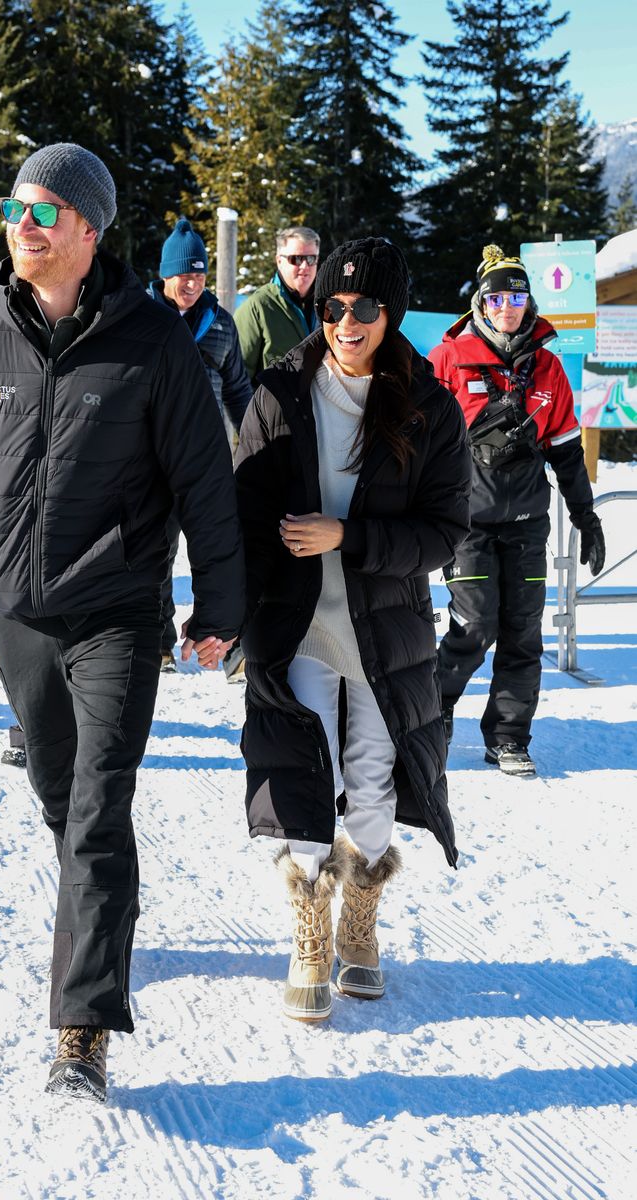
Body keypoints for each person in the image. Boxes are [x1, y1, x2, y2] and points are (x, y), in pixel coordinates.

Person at [0, 143, 245, 1102]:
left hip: (115, 612)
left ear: (88, 232)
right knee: (60, 796)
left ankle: (83, 1026)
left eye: (43, 211)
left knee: (99, 808)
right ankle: (100, 914)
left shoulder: (153, 343)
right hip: (15, 607)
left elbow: (203, 486)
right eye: (15, 207)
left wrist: (216, 609)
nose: (23, 225)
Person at [234, 238, 471, 1023]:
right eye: (331, 308)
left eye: (362, 308)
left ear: (390, 312)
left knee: (371, 777)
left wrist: (349, 537)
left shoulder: (428, 406)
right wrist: (222, 614)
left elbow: (443, 531)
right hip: (296, 621)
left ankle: (358, 924)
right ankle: (309, 933)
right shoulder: (280, 391)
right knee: (303, 770)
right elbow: (239, 511)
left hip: (381, 625)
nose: (344, 322)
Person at [429, 245, 605, 778]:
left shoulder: (548, 367)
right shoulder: (449, 360)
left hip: (528, 521)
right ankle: (430, 717)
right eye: (498, 296)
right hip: (468, 522)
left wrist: (586, 516)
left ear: (529, 302)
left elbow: (568, 453)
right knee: (475, 623)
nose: (508, 306)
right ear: (482, 302)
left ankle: (508, 736)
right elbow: (416, 443)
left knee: (524, 631)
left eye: (518, 296)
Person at [147, 217, 251, 675]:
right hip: (149, 459)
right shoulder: (142, 318)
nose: (190, 284)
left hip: (206, 460)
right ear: (165, 275)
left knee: (220, 551)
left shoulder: (222, 325)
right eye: (182, 275)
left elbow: (239, 392)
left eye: (199, 275)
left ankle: (230, 645)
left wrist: (253, 443)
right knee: (157, 554)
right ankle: (159, 643)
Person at [234, 225, 321, 384]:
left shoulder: (327, 305)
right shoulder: (258, 306)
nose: (304, 267)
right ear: (279, 260)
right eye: (296, 259)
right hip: (274, 406)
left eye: (311, 259)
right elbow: (237, 380)